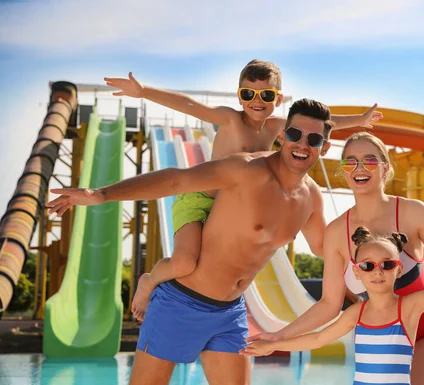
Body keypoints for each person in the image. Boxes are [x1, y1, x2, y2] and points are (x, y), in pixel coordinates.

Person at [46, 99, 335, 385]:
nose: (302, 144)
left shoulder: (311, 199)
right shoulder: (246, 170)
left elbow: (323, 248)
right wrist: (101, 194)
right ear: (282, 134)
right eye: (295, 134)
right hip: (180, 303)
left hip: (231, 311)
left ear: (324, 148)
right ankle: (153, 279)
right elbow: (177, 180)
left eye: (313, 139)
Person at [247, 132, 424, 385]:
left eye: (369, 160)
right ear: (343, 171)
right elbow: (329, 305)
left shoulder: (413, 212)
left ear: (385, 167)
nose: (359, 168)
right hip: (384, 336)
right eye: (350, 162)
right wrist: (279, 336)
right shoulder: (336, 232)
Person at [102, 59, 382, 320]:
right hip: (201, 201)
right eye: (248, 94)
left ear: (279, 99)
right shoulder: (230, 119)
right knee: (184, 263)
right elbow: (190, 106)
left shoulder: (279, 126)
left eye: (266, 95)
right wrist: (143, 91)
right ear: (239, 96)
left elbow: (322, 124)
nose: (256, 101)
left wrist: (358, 120)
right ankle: (149, 280)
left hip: (235, 211)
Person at [243, 222, 424, 385]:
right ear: (357, 273)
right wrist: (273, 345)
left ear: (399, 269)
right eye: (368, 265)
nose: (378, 271)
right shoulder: (356, 313)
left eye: (387, 264)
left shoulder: (410, 306)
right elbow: (316, 339)